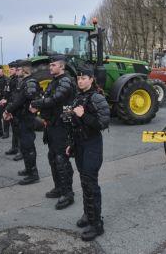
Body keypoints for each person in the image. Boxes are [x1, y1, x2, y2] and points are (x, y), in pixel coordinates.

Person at [66, 66, 110, 241]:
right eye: (78, 78)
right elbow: (74, 124)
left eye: (84, 78)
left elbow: (103, 123)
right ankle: (88, 214)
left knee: (91, 183)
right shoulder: (78, 97)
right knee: (84, 181)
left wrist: (83, 115)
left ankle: (96, 224)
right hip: (80, 144)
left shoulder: (97, 97)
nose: (81, 81)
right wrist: (71, 144)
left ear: (91, 79)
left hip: (92, 145)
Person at [30, 54, 76, 210]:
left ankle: (67, 194)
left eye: (53, 65)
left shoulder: (65, 81)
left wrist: (37, 103)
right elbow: (47, 97)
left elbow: (55, 99)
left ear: (62, 67)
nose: (50, 67)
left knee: (61, 159)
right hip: (52, 125)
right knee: (53, 158)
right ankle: (58, 188)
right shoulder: (54, 81)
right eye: (50, 65)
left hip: (62, 126)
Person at [4, 60, 41, 185]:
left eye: (19, 69)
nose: (16, 71)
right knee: (24, 147)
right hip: (20, 118)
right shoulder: (23, 82)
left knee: (28, 146)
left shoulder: (30, 82)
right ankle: (28, 169)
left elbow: (22, 99)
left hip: (27, 119)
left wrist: (9, 109)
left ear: (25, 70)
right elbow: (16, 98)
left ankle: (33, 174)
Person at [1, 61, 23, 160]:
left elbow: (17, 97)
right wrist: (5, 99)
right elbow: (8, 92)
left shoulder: (19, 80)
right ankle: (14, 148)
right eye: (9, 69)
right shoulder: (11, 79)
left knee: (19, 130)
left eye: (12, 69)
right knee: (14, 129)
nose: (10, 70)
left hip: (16, 108)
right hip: (11, 106)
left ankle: (21, 151)